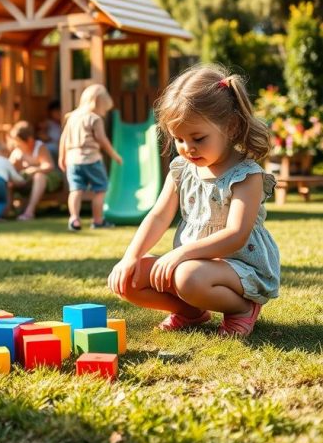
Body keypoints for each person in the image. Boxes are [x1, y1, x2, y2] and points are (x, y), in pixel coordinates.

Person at [107, 65, 280, 337]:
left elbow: (236, 235)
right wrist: (130, 257)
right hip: (191, 267)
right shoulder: (181, 169)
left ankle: (242, 309)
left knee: (186, 276)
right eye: (179, 139)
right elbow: (158, 216)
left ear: (231, 127)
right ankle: (191, 312)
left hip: (239, 269)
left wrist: (181, 254)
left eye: (198, 138)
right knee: (130, 279)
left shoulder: (247, 175)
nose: (188, 147)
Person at [58, 83, 122, 232]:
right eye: (104, 109)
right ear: (99, 104)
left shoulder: (72, 117)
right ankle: (98, 221)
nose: (104, 112)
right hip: (91, 159)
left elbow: (63, 138)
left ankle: (74, 218)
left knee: (75, 190)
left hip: (73, 159)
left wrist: (62, 157)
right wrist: (114, 155)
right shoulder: (94, 118)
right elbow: (102, 139)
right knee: (100, 190)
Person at [8, 120, 63, 220]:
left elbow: (48, 166)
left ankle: (30, 211)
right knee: (8, 181)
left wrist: (34, 169)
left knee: (39, 176)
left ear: (29, 140)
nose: (17, 145)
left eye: (19, 142)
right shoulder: (17, 152)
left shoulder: (39, 147)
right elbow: (10, 170)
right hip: (24, 181)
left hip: (45, 180)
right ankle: (7, 210)